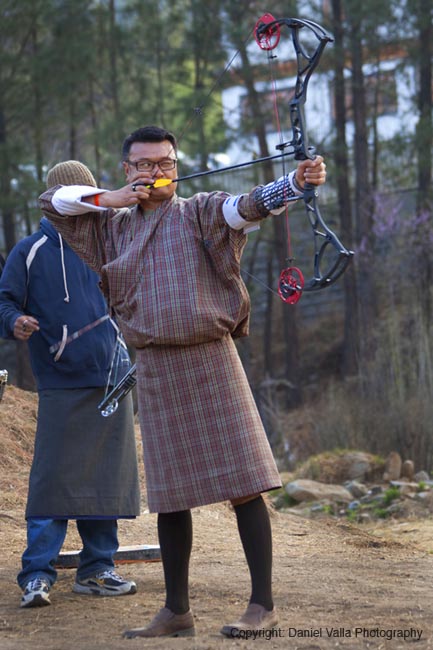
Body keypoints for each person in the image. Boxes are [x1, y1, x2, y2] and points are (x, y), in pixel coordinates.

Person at [39, 126, 327, 637]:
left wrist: (297, 184)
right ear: (127, 169)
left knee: (245, 486)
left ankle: (263, 604)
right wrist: (112, 199)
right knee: (171, 495)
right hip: (155, 367)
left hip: (211, 359)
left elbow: (251, 204)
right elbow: (54, 201)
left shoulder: (200, 211)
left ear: (178, 163)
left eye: (165, 162)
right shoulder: (109, 226)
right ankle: (177, 610)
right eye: (144, 164)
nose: (155, 172)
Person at [0, 161, 141, 608]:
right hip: (61, 379)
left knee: (105, 480)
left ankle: (97, 569)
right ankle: (37, 574)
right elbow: (3, 300)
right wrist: (15, 320)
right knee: (53, 479)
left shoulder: (109, 241)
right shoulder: (31, 249)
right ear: (62, 199)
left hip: (114, 375)